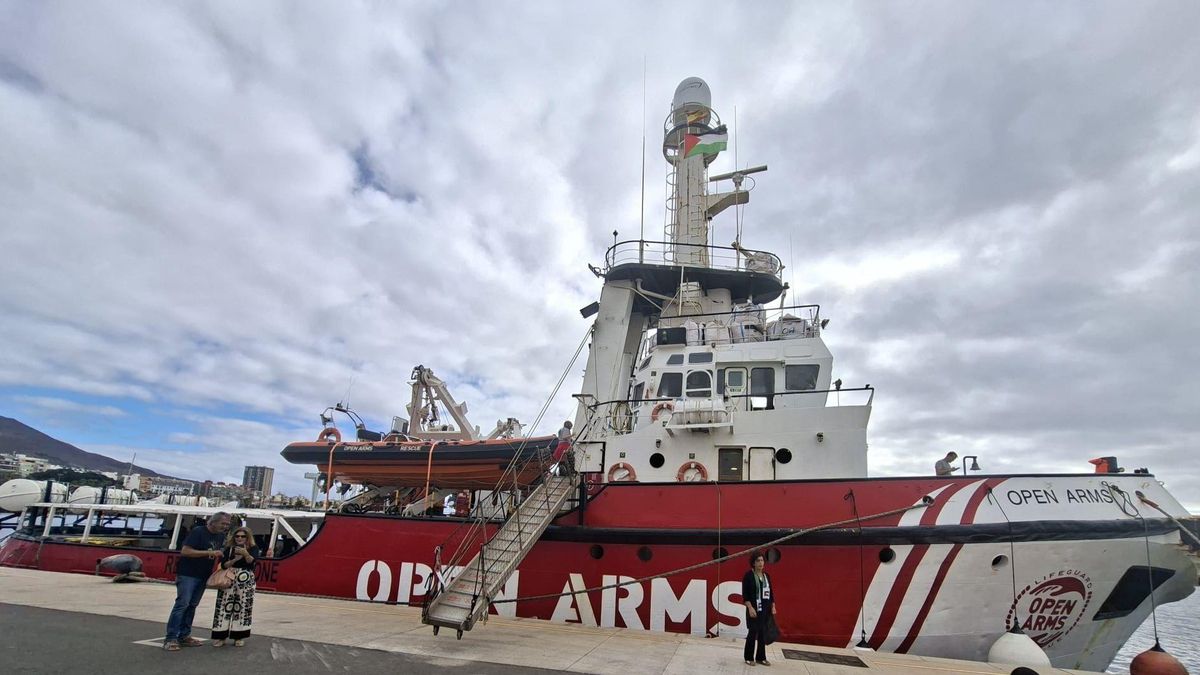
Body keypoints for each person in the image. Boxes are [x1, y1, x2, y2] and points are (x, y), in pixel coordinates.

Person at [164, 512, 231, 651]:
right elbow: (185, 551)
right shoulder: (198, 532)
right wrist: (209, 553)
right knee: (182, 604)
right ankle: (171, 637)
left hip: (203, 575)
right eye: (222, 524)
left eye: (227, 525)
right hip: (188, 573)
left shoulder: (220, 536)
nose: (224, 527)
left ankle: (184, 635)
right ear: (213, 522)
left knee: (192, 605)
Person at [211, 526, 259, 647]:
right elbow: (223, 564)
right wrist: (234, 560)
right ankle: (220, 636)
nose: (240, 538)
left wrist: (245, 553)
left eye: (243, 536)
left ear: (247, 538)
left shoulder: (253, 548)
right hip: (229, 576)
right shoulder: (229, 549)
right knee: (223, 605)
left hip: (245, 578)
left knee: (243, 606)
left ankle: (239, 636)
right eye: (237, 536)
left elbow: (252, 562)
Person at [742, 551, 776, 666]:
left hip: (765, 610)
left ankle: (761, 657)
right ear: (753, 563)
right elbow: (745, 594)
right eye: (758, 561)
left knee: (762, 633)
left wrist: (773, 606)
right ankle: (748, 657)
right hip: (754, 609)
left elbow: (771, 593)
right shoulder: (748, 576)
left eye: (762, 560)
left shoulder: (767, 576)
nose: (761, 563)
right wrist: (750, 607)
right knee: (752, 633)